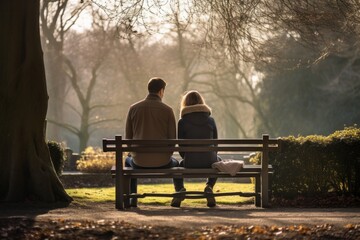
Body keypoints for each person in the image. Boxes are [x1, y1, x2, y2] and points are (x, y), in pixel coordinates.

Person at [125, 77, 184, 207]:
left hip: (138, 162)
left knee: (127, 161)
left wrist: (133, 153)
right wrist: (166, 154)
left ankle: (132, 198)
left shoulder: (133, 108)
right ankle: (179, 191)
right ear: (161, 91)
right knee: (177, 164)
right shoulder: (167, 110)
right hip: (163, 162)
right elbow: (172, 140)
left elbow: (128, 138)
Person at [176, 90, 221, 207]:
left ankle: (179, 190)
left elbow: (181, 147)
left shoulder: (182, 122)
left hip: (190, 161)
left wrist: (187, 158)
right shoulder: (211, 120)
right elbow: (215, 144)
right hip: (210, 161)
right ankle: (209, 186)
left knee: (177, 166)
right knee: (218, 160)